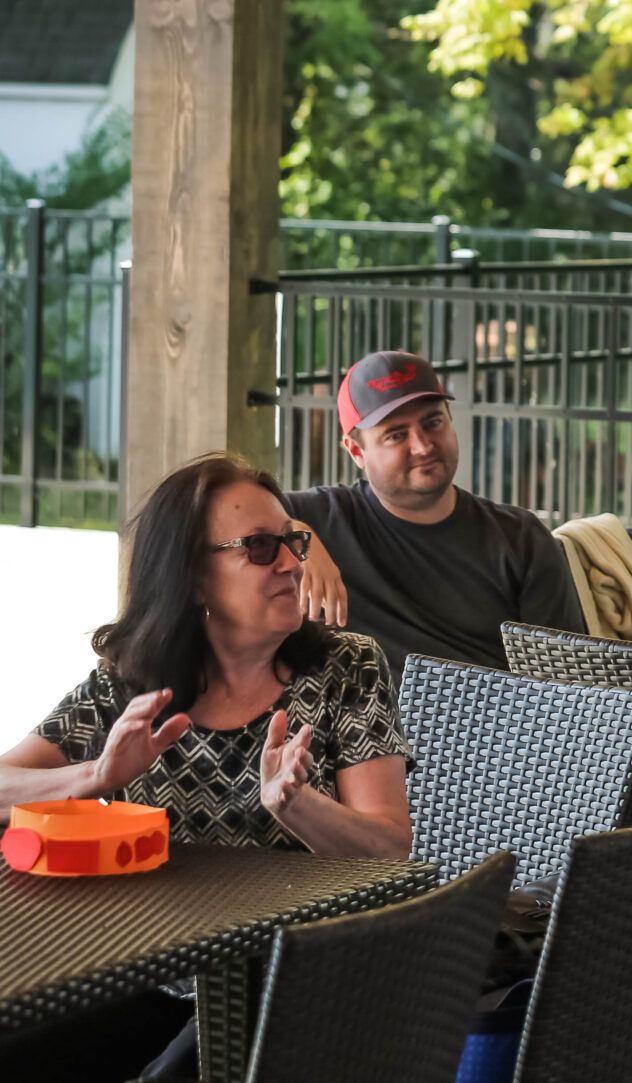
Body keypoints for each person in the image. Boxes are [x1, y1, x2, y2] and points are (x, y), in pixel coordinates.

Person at [0, 453, 412, 1083]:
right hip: (154, 968)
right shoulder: (131, 683)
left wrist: (300, 806)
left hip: (295, 976)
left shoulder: (344, 668)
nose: (291, 563)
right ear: (193, 580)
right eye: (260, 547)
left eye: (293, 542)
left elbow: (389, 851)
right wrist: (94, 777)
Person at [285, 350, 586, 684]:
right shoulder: (323, 517)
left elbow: (566, 688)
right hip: (367, 716)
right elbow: (235, 503)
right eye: (396, 435)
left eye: (433, 423)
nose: (423, 446)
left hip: (498, 716)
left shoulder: (521, 539)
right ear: (357, 451)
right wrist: (295, 534)